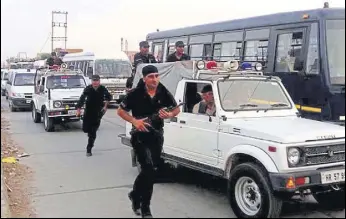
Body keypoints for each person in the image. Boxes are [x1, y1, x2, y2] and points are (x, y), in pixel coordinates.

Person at [117, 65, 180, 218]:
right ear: (144, 78)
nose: (155, 79)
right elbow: (120, 111)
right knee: (148, 170)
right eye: (151, 76)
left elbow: (176, 109)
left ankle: (134, 194)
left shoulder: (162, 90)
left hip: (157, 135)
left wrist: (169, 114)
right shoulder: (136, 93)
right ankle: (146, 208)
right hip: (140, 136)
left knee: (151, 171)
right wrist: (134, 121)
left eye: (157, 76)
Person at [76, 75, 112, 157]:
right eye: (93, 81)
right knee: (85, 129)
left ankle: (89, 148)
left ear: (99, 81)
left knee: (93, 132)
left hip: (98, 112)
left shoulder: (103, 89)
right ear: (91, 81)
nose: (95, 83)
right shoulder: (88, 89)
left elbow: (108, 97)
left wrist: (105, 106)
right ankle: (89, 133)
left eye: (97, 81)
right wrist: (78, 109)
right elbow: (82, 99)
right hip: (88, 112)